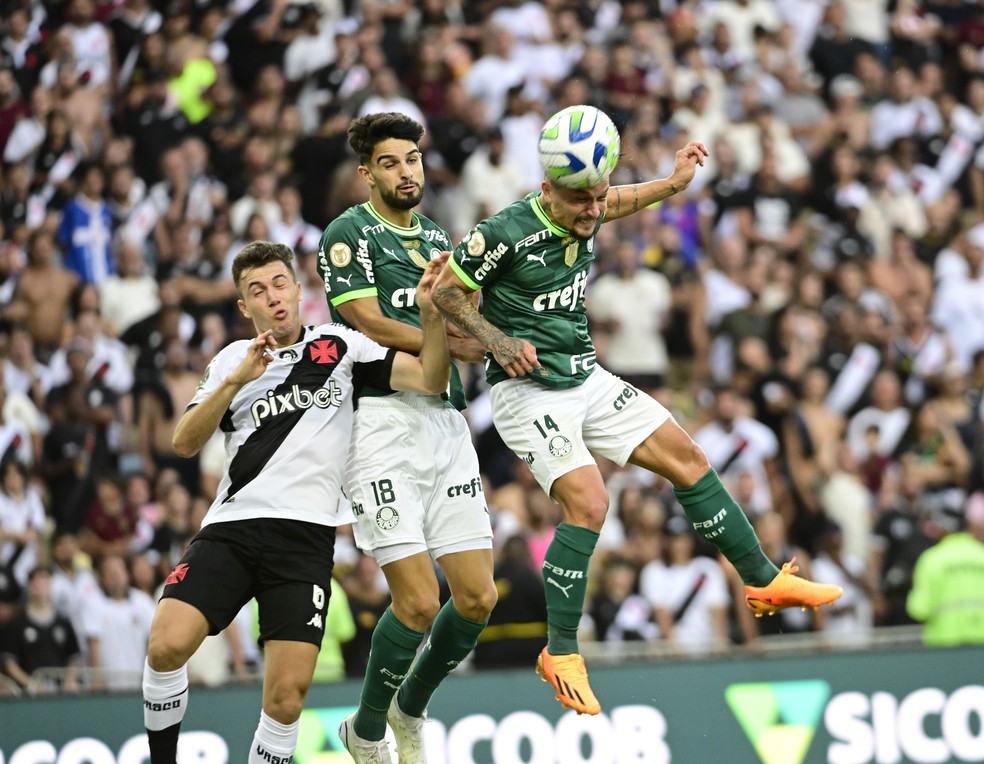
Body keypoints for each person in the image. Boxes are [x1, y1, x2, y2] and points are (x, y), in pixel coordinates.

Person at [432, 112, 844, 716]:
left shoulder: (591, 202)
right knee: (590, 502)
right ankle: (562, 652)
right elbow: (446, 294)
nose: (594, 211)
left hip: (586, 376)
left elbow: (618, 200)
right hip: (529, 395)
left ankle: (760, 579)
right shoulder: (503, 232)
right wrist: (495, 340)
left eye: (600, 195)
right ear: (547, 189)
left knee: (689, 457)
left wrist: (674, 184)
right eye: (582, 201)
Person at [141, 240, 452, 764]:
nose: (273, 298)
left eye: (279, 284)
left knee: (286, 701)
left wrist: (430, 316)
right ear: (244, 306)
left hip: (305, 540)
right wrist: (235, 381)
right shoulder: (229, 362)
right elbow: (183, 443)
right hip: (233, 528)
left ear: (298, 288)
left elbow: (431, 378)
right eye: (257, 292)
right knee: (166, 645)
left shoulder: (341, 346)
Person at [316, 112, 496, 764]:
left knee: (476, 599)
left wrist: (495, 341)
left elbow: (464, 322)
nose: (406, 171)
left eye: (412, 159)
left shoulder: (438, 238)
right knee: (418, 602)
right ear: (367, 173)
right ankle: (365, 731)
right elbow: (361, 317)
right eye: (390, 162)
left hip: (445, 420)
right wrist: (437, 340)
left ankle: (408, 708)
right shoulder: (349, 231)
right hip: (380, 420)